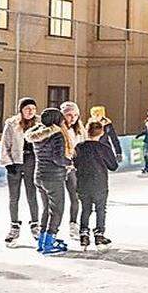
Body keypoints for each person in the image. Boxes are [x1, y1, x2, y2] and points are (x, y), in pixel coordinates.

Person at [26, 107, 73, 255]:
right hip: (53, 177)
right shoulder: (57, 135)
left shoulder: (38, 135)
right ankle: (49, 241)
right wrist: (69, 162)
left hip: (39, 176)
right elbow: (58, 158)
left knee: (47, 209)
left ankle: (42, 240)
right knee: (57, 210)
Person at [73, 119, 120, 248]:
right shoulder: (104, 148)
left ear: (87, 131)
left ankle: (84, 235)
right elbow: (113, 166)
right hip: (99, 183)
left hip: (83, 182)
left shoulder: (79, 147)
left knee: (85, 209)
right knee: (100, 209)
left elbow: (74, 163)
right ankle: (99, 235)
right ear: (101, 133)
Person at [1, 97, 40, 245]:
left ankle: (35, 224)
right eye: (27, 108)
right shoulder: (12, 124)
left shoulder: (40, 124)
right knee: (14, 196)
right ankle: (14, 225)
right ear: (21, 110)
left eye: (33, 109)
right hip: (15, 163)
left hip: (32, 162)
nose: (30, 111)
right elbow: (5, 144)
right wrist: (7, 163)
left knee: (32, 195)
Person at [60, 101, 86, 240]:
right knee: (57, 201)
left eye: (75, 115)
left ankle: (73, 223)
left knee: (75, 197)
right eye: (69, 115)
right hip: (58, 168)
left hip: (74, 168)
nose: (73, 117)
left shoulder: (80, 130)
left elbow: (84, 147)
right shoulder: (57, 130)